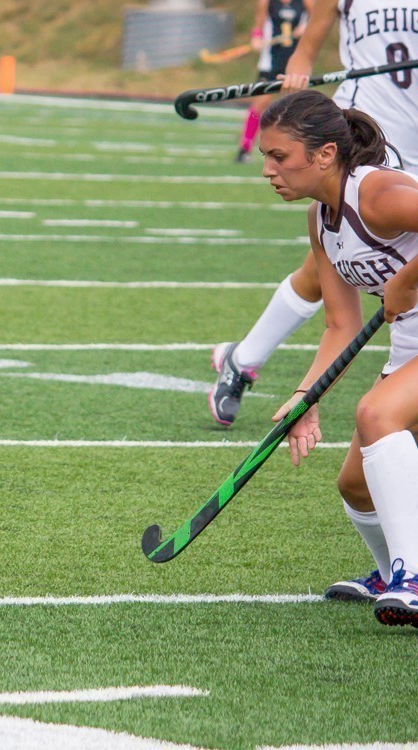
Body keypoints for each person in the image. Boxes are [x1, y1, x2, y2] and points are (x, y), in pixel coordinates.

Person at [209, 0, 418, 427]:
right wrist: (299, 69)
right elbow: (308, 46)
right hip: (371, 129)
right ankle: (245, 361)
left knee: (333, 266)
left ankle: (243, 357)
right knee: (332, 260)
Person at [258, 90, 418, 626]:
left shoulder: (378, 194)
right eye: (266, 157)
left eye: (279, 157)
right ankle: (391, 573)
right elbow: (341, 325)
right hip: (411, 343)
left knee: (377, 414)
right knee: (355, 484)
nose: (267, 170)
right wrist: (308, 396)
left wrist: (408, 279)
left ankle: (411, 575)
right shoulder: (321, 220)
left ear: (324, 154)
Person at [234, 0, 313, 165]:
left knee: (297, 106)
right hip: (271, 61)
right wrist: (256, 38)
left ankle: (301, 152)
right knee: (259, 104)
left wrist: (306, 29)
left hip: (295, 61)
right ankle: (245, 148)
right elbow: (258, 26)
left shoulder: (305, 1)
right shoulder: (266, 2)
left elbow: (318, 20)